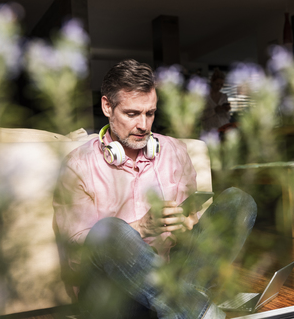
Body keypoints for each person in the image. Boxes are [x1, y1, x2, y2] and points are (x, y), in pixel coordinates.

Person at [52, 59, 257, 319]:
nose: (144, 125)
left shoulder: (174, 151)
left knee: (238, 201)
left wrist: (186, 222)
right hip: (113, 294)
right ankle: (194, 310)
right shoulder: (77, 166)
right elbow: (79, 253)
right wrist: (141, 228)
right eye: (132, 114)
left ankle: (185, 306)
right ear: (107, 106)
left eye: (150, 113)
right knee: (108, 230)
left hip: (170, 276)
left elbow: (191, 216)